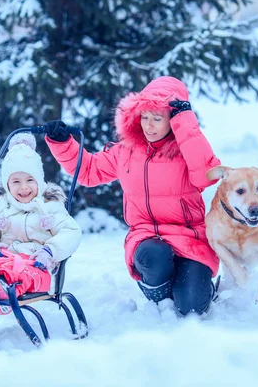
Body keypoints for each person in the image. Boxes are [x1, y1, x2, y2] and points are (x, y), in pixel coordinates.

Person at [44, 76, 221, 315]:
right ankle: (162, 292)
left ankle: (192, 287)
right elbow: (88, 171)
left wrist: (187, 126)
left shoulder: (188, 150)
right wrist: (63, 143)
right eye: (144, 117)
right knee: (154, 258)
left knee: (191, 307)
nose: (148, 125)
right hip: (148, 238)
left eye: (157, 118)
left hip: (191, 239)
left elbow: (206, 176)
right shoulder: (126, 150)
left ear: (174, 119)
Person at [0, 133, 82, 314]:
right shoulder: (1, 208)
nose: (24, 187)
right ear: (7, 185)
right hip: (4, 260)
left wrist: (50, 251)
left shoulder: (49, 206)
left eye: (30, 180)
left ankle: (1, 289)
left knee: (21, 272)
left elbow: (71, 232)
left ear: (39, 180)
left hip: (38, 266)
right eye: (16, 182)